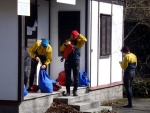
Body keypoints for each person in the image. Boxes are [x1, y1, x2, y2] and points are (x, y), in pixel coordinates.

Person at [60, 30, 87, 96]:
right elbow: (61, 49)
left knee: (76, 77)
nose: (73, 37)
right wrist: (65, 44)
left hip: (76, 61)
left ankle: (75, 91)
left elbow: (85, 40)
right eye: (72, 36)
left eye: (74, 36)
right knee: (68, 77)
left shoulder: (79, 42)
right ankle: (68, 92)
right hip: (68, 61)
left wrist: (78, 35)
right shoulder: (68, 41)